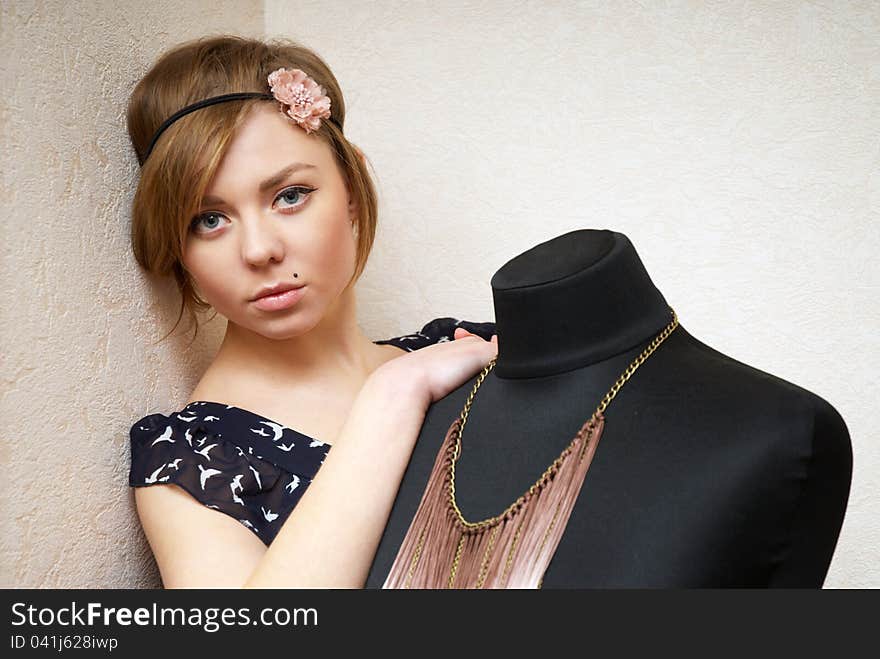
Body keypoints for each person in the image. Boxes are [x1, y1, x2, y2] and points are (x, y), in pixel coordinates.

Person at [125, 34, 498, 588]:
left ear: (350, 188)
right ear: (179, 248)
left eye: (290, 195)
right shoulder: (190, 465)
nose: (258, 250)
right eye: (209, 219)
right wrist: (395, 396)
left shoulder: (463, 351)